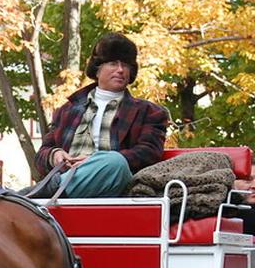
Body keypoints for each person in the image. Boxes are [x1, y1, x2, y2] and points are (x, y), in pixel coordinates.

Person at [34, 32, 169, 198]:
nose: (120, 70)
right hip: (68, 179)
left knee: (115, 162)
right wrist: (54, 155)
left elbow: (149, 153)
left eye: (125, 65)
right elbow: (41, 155)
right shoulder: (66, 110)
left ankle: (39, 195)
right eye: (113, 63)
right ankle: (54, 190)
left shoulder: (150, 112)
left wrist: (95, 163)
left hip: (116, 189)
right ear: (97, 70)